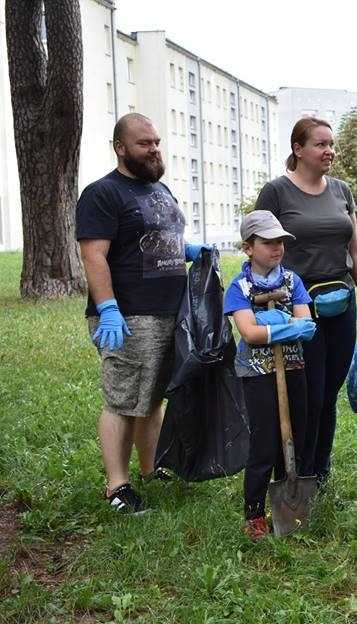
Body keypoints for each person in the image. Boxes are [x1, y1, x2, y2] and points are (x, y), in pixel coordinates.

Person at [77, 112, 208, 513]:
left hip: (170, 311)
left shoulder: (160, 190)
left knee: (151, 399)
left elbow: (159, 239)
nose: (154, 149)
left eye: (156, 142)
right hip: (130, 315)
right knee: (123, 398)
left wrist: (187, 252)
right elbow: (93, 254)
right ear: (120, 148)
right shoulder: (103, 193)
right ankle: (117, 487)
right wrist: (109, 308)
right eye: (144, 144)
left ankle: (151, 469)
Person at [255, 117, 357, 485]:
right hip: (295, 308)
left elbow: (354, 252)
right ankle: (295, 471)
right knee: (304, 393)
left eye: (331, 144)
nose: (330, 151)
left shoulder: (341, 191)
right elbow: (260, 253)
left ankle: (320, 471)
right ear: (298, 149)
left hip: (340, 303)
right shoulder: (276, 193)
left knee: (328, 392)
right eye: (321, 144)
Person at [224, 210, 316, 541]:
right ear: (248, 247)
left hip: (293, 368)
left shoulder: (292, 281)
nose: (277, 248)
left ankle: (290, 504)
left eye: (280, 241)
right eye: (267, 242)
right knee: (264, 442)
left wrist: (279, 326)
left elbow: (307, 324)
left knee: (296, 437)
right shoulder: (240, 287)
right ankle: (254, 513)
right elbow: (247, 332)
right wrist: (280, 326)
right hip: (258, 373)